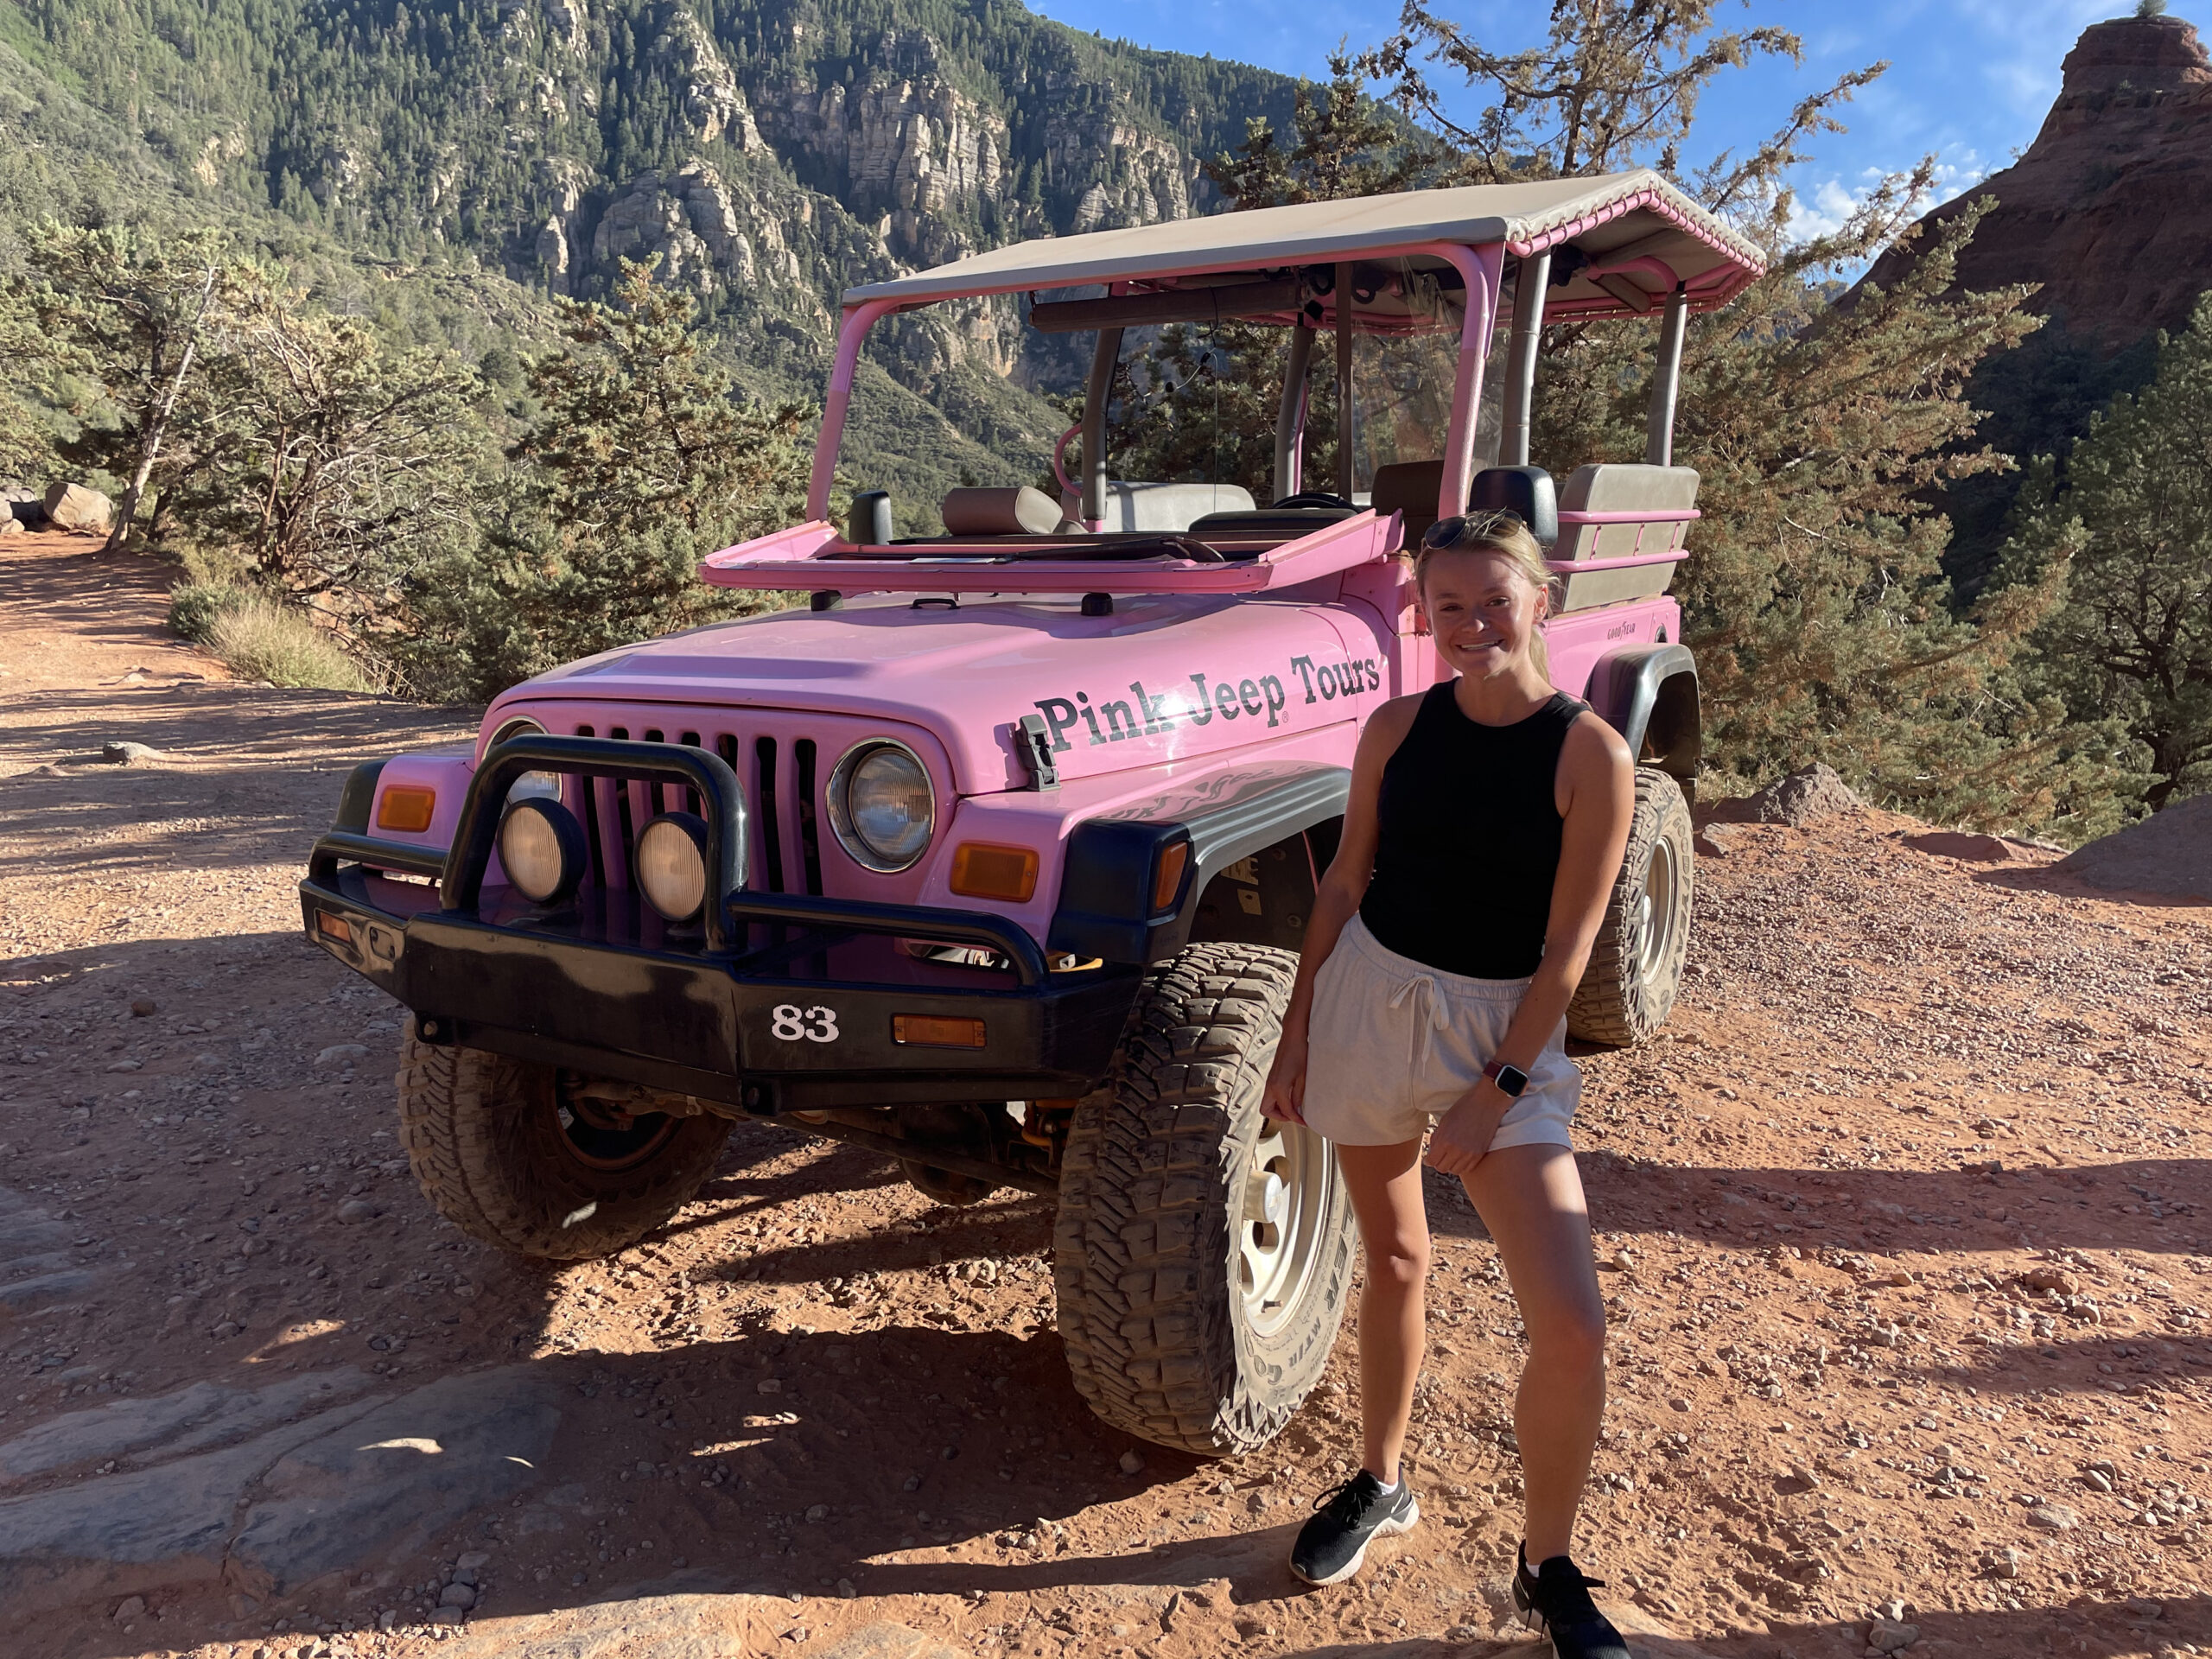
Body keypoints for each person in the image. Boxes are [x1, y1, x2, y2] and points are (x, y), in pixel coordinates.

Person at [1262, 510, 1637, 1659]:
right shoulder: (1393, 729)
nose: (1472, 625)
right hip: (1369, 1002)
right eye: (1449, 606)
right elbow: (1339, 892)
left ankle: (1548, 1561)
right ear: (1424, 615)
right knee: (1394, 1261)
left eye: (1495, 600)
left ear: (1542, 600)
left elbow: (1570, 951)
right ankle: (1381, 1482)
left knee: (1572, 1326)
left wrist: (1500, 1086)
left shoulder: (1591, 755)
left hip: (1502, 1030)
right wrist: (1296, 1035)